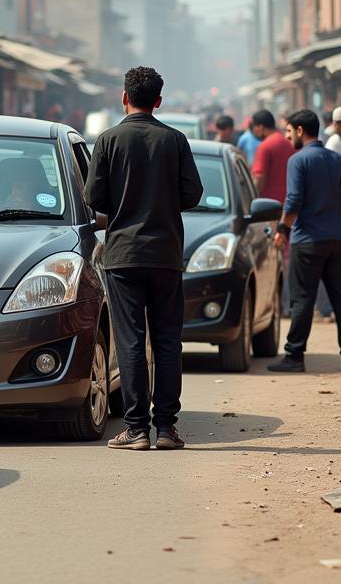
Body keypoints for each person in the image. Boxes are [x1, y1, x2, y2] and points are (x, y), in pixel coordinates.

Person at [84, 66, 203, 452]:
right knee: (168, 341)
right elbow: (193, 194)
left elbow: (93, 199)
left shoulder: (108, 140)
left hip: (122, 256)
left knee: (131, 340)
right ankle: (166, 429)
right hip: (166, 253)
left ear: (124, 97)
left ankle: (136, 430)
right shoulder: (175, 141)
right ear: (158, 101)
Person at [267, 110, 341, 373]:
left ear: (301, 130)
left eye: (289, 131)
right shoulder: (337, 158)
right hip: (336, 239)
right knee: (340, 297)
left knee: (302, 298)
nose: (287, 136)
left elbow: (293, 201)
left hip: (307, 241)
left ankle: (294, 356)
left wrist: (283, 228)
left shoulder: (298, 160)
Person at [251, 109, 294, 203]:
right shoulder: (288, 143)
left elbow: (259, 178)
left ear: (260, 127)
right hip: (289, 204)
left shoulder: (265, 146)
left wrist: (252, 201)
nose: (254, 132)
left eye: (254, 127)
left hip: (269, 207)